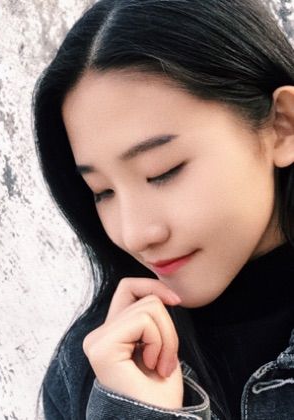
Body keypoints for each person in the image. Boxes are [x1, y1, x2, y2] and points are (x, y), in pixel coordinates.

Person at [32, 0, 294, 418]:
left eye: (163, 171)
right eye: (102, 192)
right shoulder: (91, 368)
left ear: (282, 126)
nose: (134, 234)